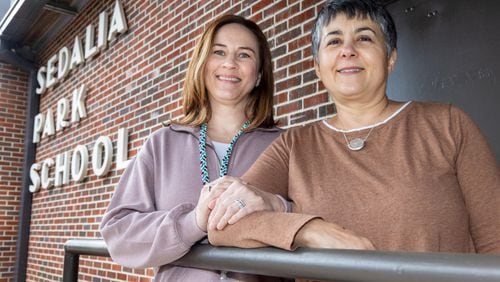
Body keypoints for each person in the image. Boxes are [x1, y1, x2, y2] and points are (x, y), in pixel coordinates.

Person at [207, 0, 500, 258]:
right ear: (318, 68)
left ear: (391, 59)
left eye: (364, 38)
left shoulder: (448, 124)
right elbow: (223, 226)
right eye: (333, 42)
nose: (347, 51)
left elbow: (495, 240)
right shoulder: (294, 144)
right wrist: (308, 230)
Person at [100, 15, 288, 281]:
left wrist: (275, 205)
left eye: (244, 55)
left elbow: (316, 219)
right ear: (202, 64)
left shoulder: (286, 145)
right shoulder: (162, 143)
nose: (229, 63)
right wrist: (192, 223)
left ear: (259, 74)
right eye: (218, 52)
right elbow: (118, 234)